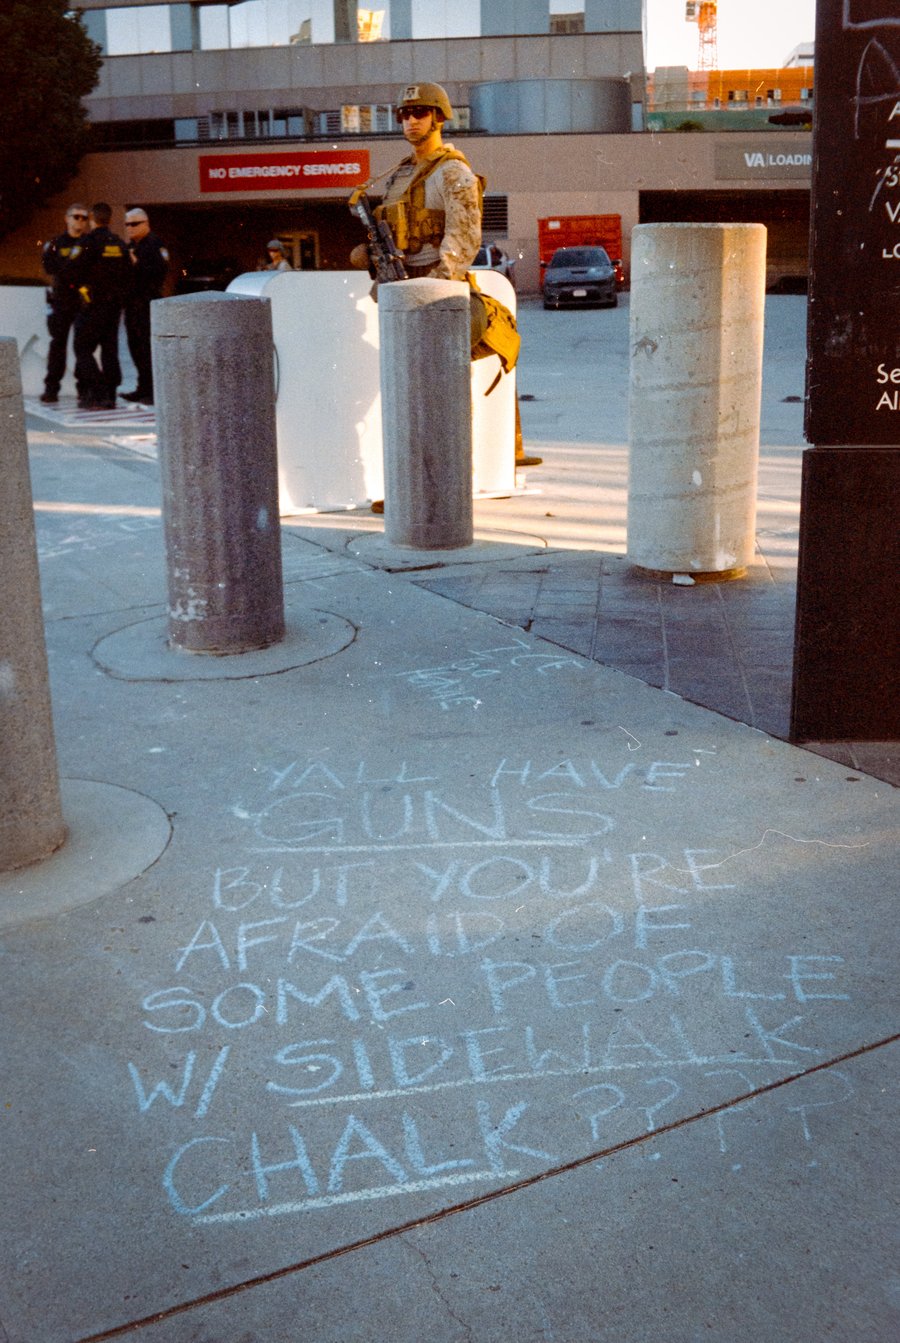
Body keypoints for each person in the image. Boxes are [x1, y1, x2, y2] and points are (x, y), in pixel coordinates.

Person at [350, 82, 539, 499]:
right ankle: (412, 491)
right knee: (407, 397)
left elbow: (464, 240)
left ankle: (450, 489)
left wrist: (433, 291)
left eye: (420, 112)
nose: (411, 121)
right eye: (404, 114)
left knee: (443, 398)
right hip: (400, 294)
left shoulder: (452, 172)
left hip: (436, 296)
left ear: (439, 117)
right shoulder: (400, 174)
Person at [73, 203, 131, 410]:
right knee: (110, 350)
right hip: (114, 306)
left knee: (82, 348)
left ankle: (97, 390)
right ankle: (111, 395)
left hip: (92, 304)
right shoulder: (119, 244)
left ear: (92, 218)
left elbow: (74, 271)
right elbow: (128, 273)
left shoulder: (87, 242)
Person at [39, 204, 91, 404]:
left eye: (84, 218)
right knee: (57, 346)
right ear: (67, 218)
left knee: (82, 347)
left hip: (82, 301)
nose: (80, 221)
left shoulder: (89, 243)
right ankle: (51, 388)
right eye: (76, 216)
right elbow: (50, 267)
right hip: (61, 301)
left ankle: (84, 389)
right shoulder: (56, 243)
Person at [122, 207, 170, 404]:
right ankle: (142, 388)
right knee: (135, 348)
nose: (130, 228)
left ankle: (152, 391)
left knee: (146, 349)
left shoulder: (155, 244)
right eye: (127, 225)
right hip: (132, 304)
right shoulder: (132, 246)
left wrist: (137, 263)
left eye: (135, 224)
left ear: (146, 224)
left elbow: (159, 272)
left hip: (146, 303)